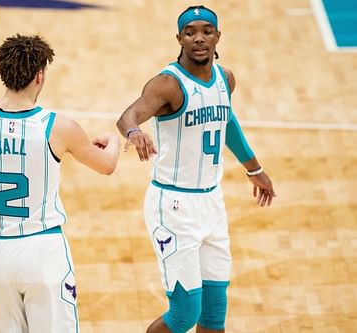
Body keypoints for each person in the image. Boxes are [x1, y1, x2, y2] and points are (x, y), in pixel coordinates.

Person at [0, 34, 120, 333]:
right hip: (44, 252)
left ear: (2, 72)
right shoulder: (60, 127)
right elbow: (107, 166)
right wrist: (113, 141)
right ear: (40, 75)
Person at [117, 5, 275, 333]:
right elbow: (128, 116)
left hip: (211, 203)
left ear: (218, 36)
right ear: (180, 38)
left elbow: (226, 122)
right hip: (173, 206)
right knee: (184, 314)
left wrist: (253, 168)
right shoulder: (168, 84)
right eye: (190, 32)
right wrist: (134, 132)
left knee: (214, 312)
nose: (199, 38)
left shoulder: (225, 79)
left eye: (206, 31)